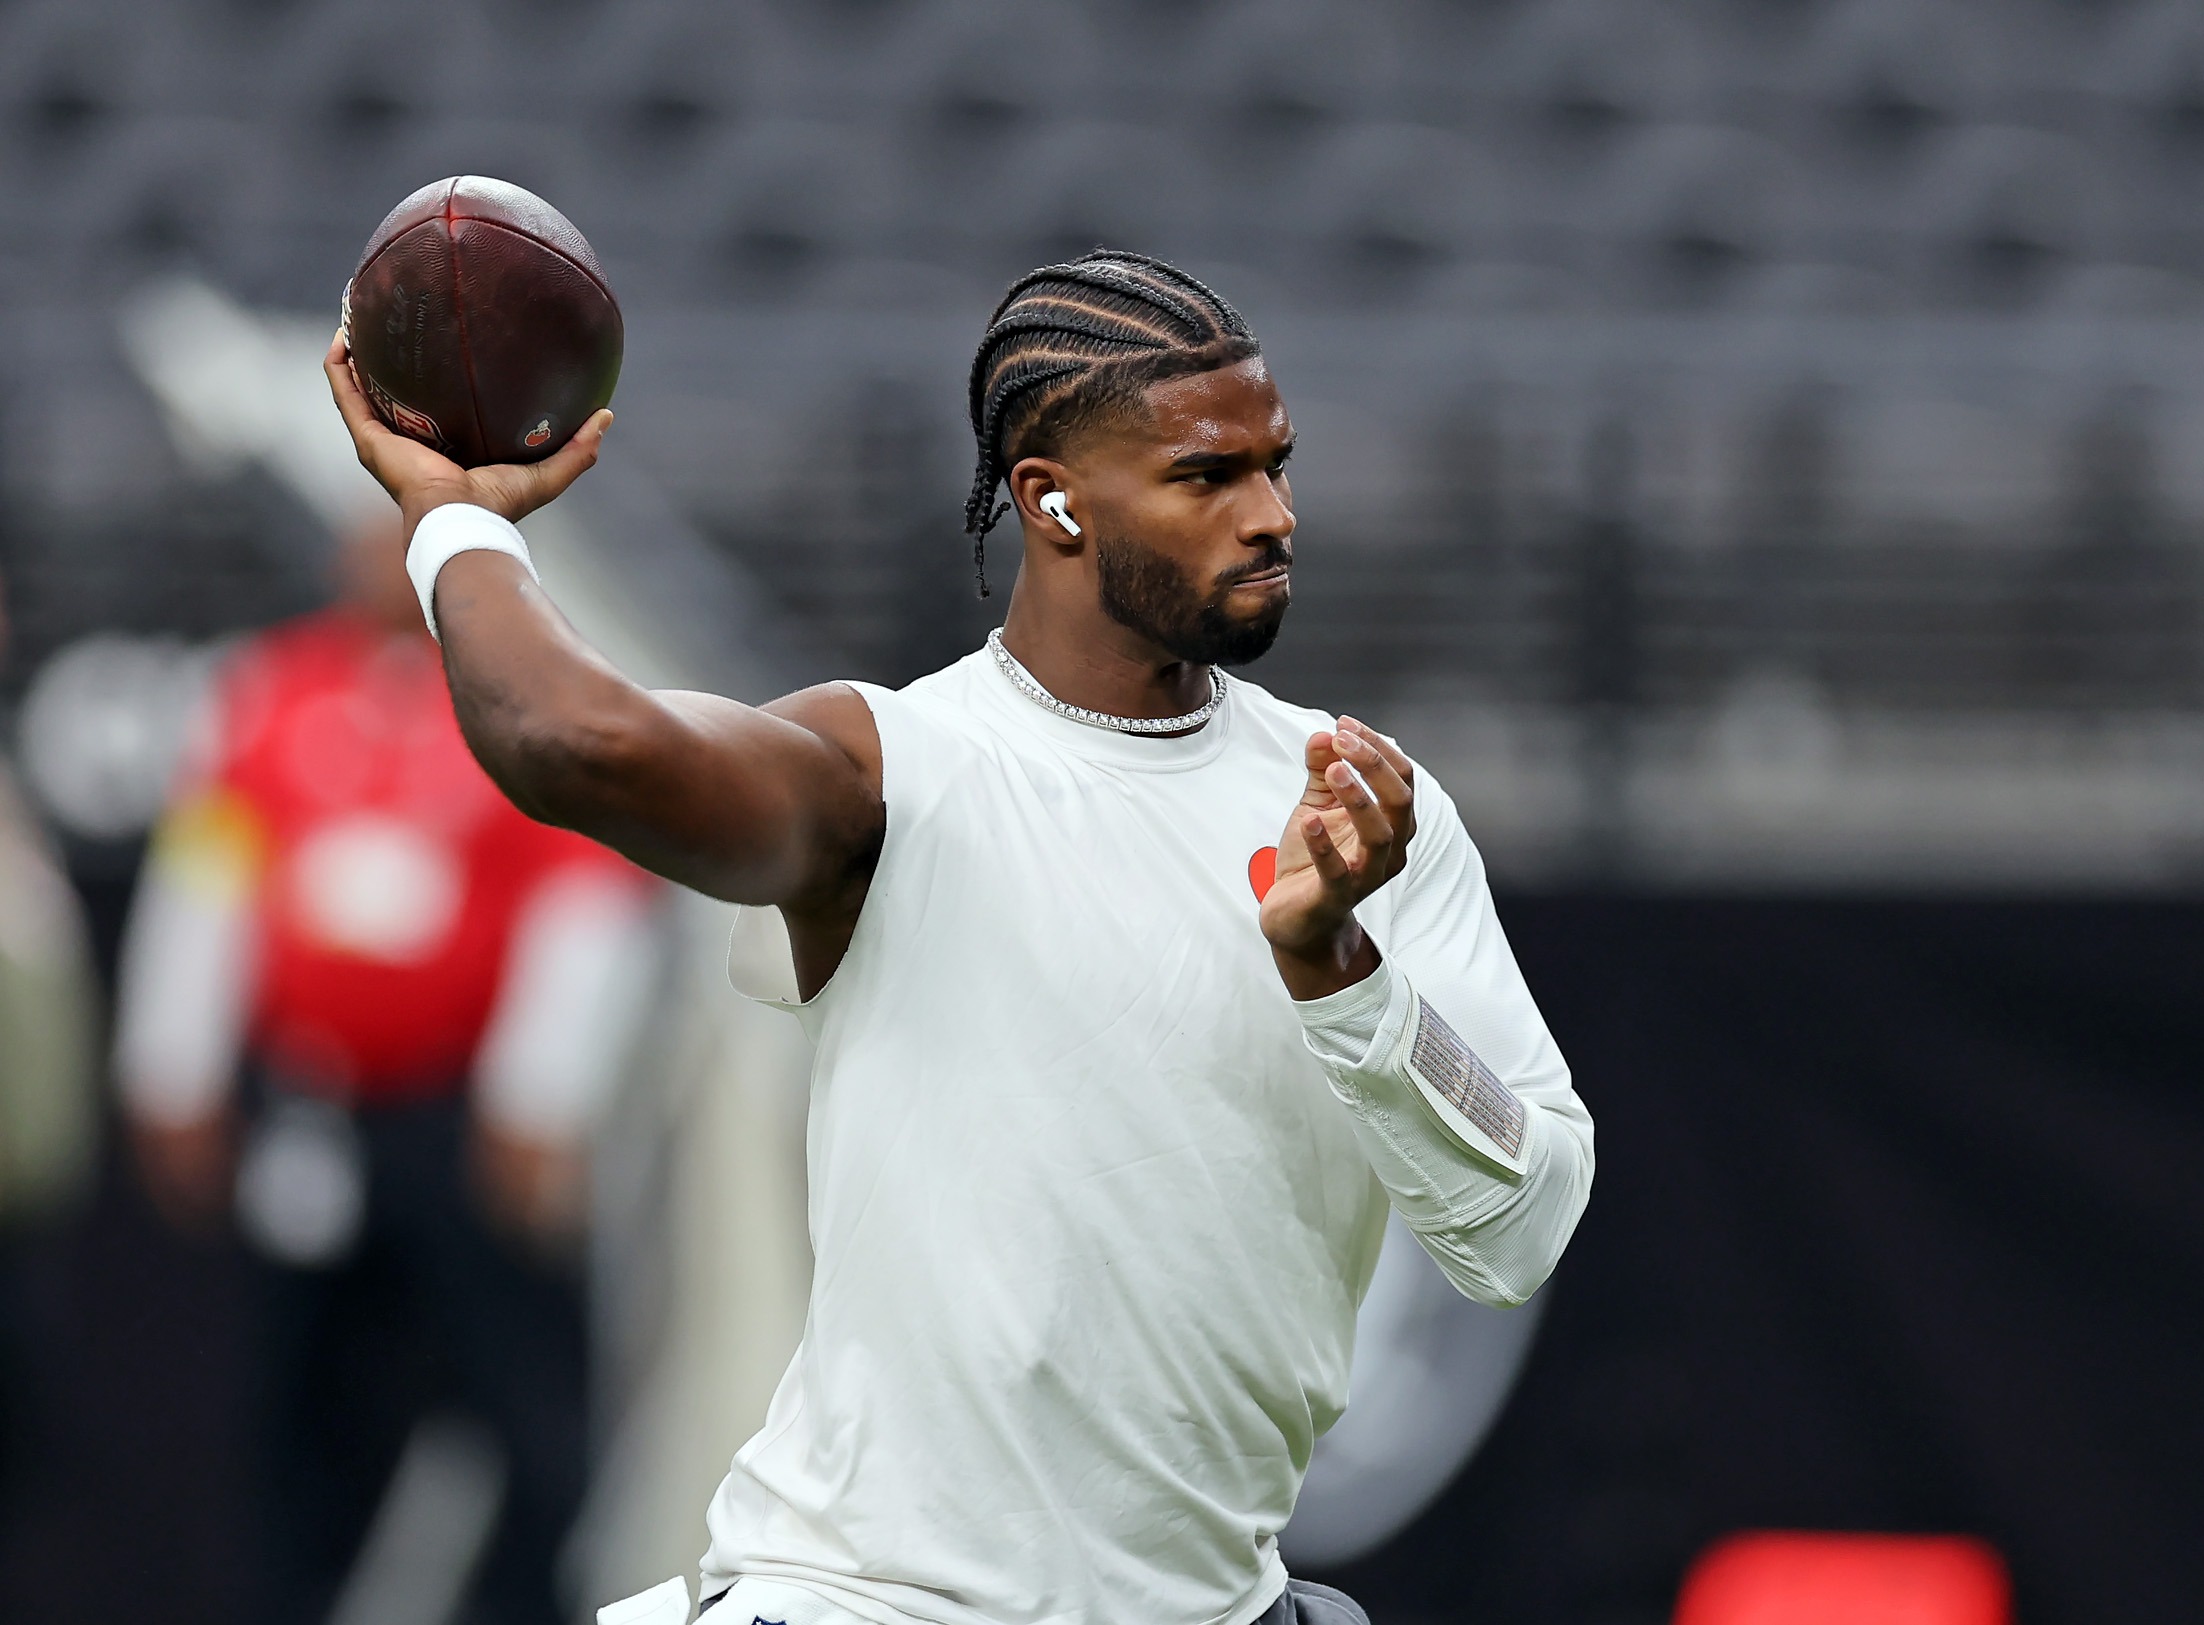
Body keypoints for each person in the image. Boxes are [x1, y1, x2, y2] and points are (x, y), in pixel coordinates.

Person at [326, 249, 1595, 1625]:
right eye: (1206, 477)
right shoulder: (890, 771)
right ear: (1050, 500)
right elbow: (575, 742)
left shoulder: (1358, 805)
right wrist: (454, 521)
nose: (1273, 514)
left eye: (1276, 465)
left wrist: (1341, 973)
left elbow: (1521, 1226)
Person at [114, 517, 658, 1625]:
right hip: (312, 1106)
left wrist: (538, 1092)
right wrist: (172, 1063)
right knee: (304, 1404)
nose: (377, 558)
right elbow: (206, 876)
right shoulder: (268, 688)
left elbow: (588, 898)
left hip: (463, 1110)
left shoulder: (541, 691)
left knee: (521, 1403)